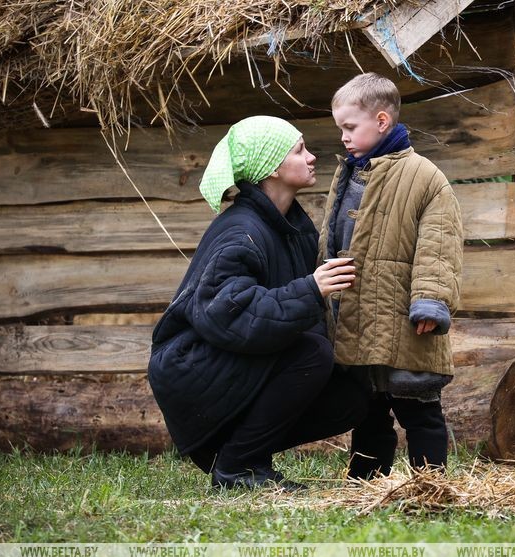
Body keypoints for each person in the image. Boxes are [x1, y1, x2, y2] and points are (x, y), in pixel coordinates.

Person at [148, 116, 367, 491]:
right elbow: (228, 314)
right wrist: (310, 290)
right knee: (312, 353)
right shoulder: (241, 231)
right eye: (299, 150)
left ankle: (237, 451)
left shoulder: (291, 228)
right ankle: (238, 466)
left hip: (227, 366)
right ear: (272, 168)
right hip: (191, 369)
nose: (312, 157)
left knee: (351, 394)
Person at [320, 73, 464, 479]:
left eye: (350, 127)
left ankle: (430, 482)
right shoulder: (348, 173)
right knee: (367, 411)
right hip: (360, 318)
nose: (344, 137)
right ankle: (367, 482)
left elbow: (440, 244)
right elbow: (330, 238)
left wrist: (431, 302)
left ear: (381, 121)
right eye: (340, 129)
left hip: (405, 318)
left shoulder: (425, 177)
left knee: (418, 406)